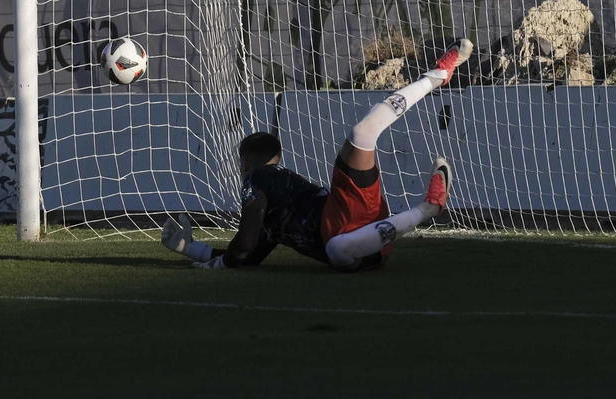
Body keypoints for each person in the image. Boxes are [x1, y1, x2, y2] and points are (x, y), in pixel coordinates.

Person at [162, 38, 471, 272]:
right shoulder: (277, 205)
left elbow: (242, 247)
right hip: (359, 241)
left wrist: (205, 259)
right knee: (337, 244)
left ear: (244, 163)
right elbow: (248, 254)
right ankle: (435, 77)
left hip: (346, 226)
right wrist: (192, 249)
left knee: (361, 138)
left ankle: (430, 205)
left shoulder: (258, 180)